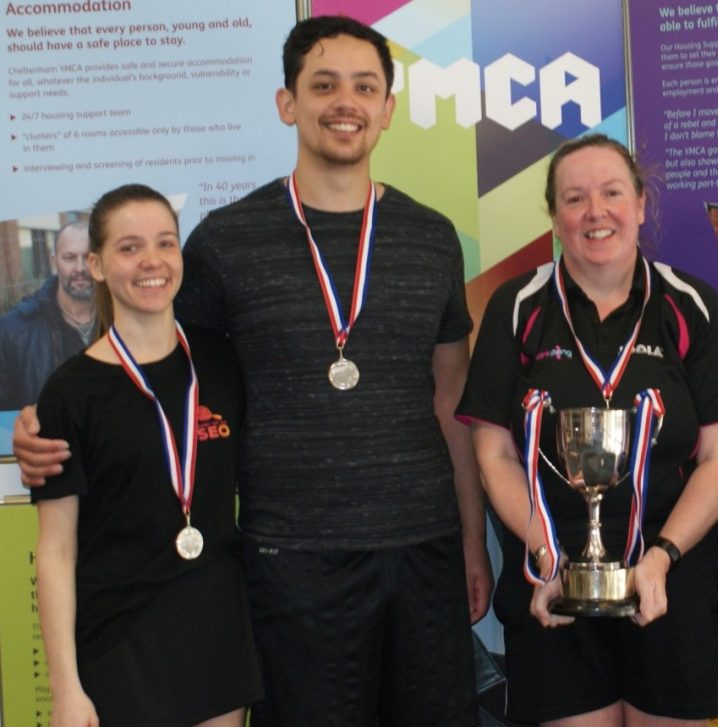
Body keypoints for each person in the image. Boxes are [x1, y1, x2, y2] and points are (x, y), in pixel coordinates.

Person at [16, 15, 490, 727]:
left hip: (422, 551)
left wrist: (470, 538)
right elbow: (161, 373)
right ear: (287, 103)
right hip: (288, 561)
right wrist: (48, 423)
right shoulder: (225, 241)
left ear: (388, 109)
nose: (345, 102)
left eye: (365, 87)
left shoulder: (432, 237)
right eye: (323, 84)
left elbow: (452, 397)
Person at [456, 133, 718, 726]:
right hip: (552, 586)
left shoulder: (692, 304)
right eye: (575, 198)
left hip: (673, 584)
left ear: (641, 204)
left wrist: (662, 557)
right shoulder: (516, 306)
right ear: (554, 217)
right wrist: (546, 555)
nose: (596, 211)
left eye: (612, 192)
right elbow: (494, 455)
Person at [32, 184, 262, 727]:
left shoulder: (221, 360)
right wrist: (65, 686)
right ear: (97, 264)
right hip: (120, 637)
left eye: (165, 243)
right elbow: (56, 551)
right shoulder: (71, 393)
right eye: (129, 247)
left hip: (215, 626)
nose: (151, 262)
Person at [0, 221, 96, 410]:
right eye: (69, 257)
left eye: (88, 257)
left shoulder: (126, 320)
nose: (80, 268)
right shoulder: (13, 330)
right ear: (54, 262)